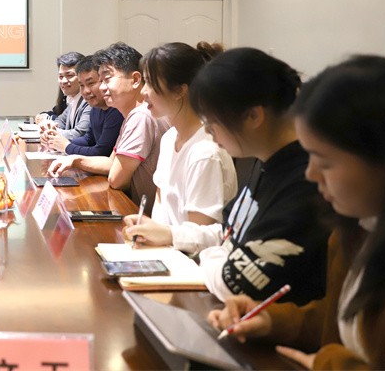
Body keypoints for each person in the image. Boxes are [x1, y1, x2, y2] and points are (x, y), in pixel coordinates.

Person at [207, 55, 385, 370]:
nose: (310, 174)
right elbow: (341, 318)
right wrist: (269, 319)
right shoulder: (356, 228)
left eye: (325, 162)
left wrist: (329, 362)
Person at [182, 47, 330, 306]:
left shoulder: (305, 180)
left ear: (253, 116)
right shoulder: (264, 160)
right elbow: (232, 233)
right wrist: (174, 236)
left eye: (212, 124)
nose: (210, 135)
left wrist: (211, 257)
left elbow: (238, 284)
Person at [123, 42, 237, 246]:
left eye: (150, 83)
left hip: (191, 260)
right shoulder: (169, 138)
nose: (143, 91)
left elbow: (199, 237)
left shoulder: (205, 151)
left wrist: (163, 235)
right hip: (166, 253)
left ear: (179, 90)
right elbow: (161, 207)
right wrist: (148, 231)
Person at [48, 42, 167, 215]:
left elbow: (116, 179)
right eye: (101, 81)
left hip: (145, 218)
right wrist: (74, 160)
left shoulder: (140, 116)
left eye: (107, 79)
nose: (102, 87)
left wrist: (70, 150)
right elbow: (111, 162)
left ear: (135, 80)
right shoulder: (132, 115)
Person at [43, 54, 123, 157]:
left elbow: (102, 151)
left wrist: (67, 146)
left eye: (91, 83)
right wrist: (55, 142)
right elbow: (88, 139)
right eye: (81, 85)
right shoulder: (96, 108)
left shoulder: (116, 110)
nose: (86, 91)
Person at [39, 51, 92, 143]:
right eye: (60, 76)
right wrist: (49, 126)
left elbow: (79, 134)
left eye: (69, 75)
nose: (63, 81)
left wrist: (49, 133)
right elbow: (60, 121)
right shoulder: (72, 99)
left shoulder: (89, 101)